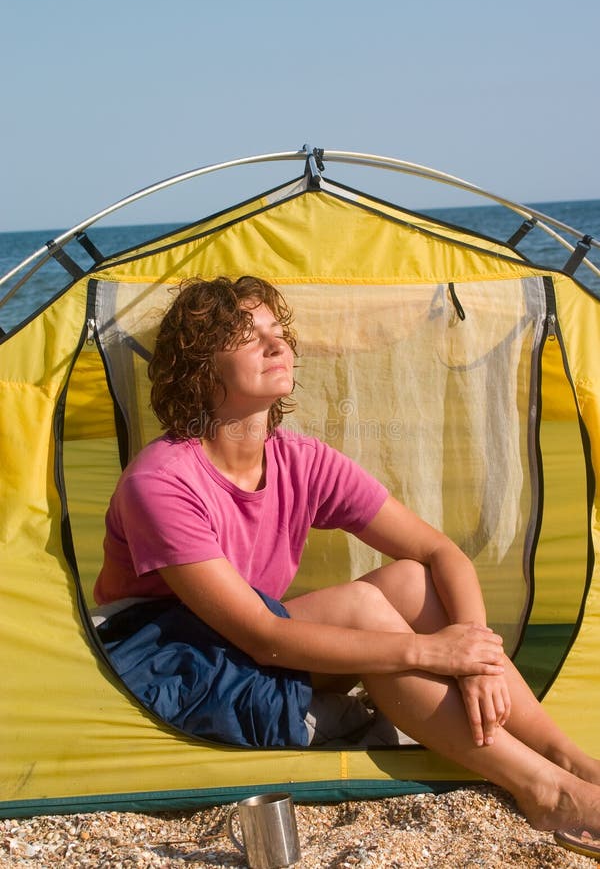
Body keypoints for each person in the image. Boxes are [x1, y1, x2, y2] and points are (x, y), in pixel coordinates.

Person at [94, 274, 600, 850]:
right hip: (168, 664)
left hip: (244, 642)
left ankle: (569, 759)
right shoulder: (162, 481)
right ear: (200, 367)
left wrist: (476, 655)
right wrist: (431, 651)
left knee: (411, 580)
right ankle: (545, 790)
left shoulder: (299, 460)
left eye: (277, 331)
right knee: (366, 606)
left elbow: (440, 552)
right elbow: (262, 636)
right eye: (247, 334)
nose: (276, 343)